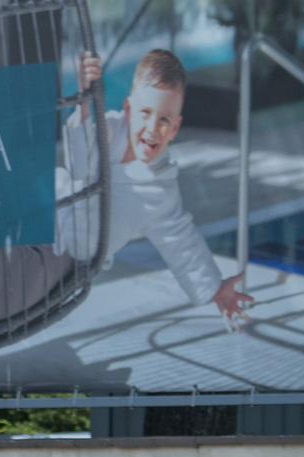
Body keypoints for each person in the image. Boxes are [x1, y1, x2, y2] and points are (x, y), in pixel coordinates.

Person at [79, 48, 254, 330]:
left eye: (164, 119)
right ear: (127, 110)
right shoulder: (108, 131)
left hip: (75, 260)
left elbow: (182, 242)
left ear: (175, 128)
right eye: (145, 112)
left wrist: (213, 286)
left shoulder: (160, 188)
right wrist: (83, 100)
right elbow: (79, 159)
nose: (153, 128)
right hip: (54, 222)